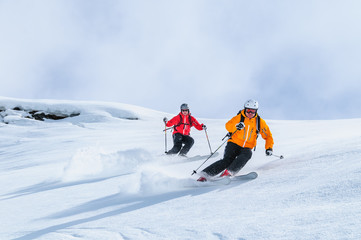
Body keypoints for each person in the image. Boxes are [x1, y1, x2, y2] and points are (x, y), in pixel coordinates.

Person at [197, 99, 274, 182]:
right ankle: (205, 175)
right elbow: (228, 126)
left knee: (247, 154)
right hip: (234, 143)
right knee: (227, 160)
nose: (250, 113)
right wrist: (236, 126)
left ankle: (229, 172)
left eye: (253, 111)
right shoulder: (239, 117)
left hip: (247, 147)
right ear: (245, 109)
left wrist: (269, 148)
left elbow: (268, 136)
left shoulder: (259, 122)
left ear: (256, 111)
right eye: (248, 110)